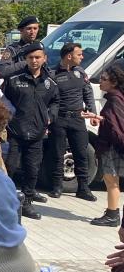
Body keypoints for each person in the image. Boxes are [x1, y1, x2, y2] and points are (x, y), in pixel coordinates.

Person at [3, 43, 59, 220]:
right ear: (25, 59)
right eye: (30, 57)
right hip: (15, 132)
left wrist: (51, 116)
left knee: (32, 169)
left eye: (37, 57)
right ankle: (4, 201)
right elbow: (2, 102)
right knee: (9, 167)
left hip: (37, 134)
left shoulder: (50, 84)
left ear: (44, 59)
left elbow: (56, 103)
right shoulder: (14, 80)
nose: (34, 61)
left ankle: (26, 203)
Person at [49, 43, 97, 200]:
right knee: (57, 153)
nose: (82, 57)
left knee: (81, 153)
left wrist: (92, 112)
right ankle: (56, 187)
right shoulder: (53, 73)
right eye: (79, 54)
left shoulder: (80, 72)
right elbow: (47, 98)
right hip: (59, 118)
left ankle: (83, 188)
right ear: (69, 56)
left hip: (77, 118)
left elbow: (88, 93)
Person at [86, 64, 124, 226]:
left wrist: (102, 119)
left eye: (104, 79)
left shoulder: (115, 99)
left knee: (111, 180)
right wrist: (97, 116)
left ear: (113, 82)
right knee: (111, 180)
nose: (100, 82)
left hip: (112, 147)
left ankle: (112, 214)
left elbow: (116, 125)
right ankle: (112, 213)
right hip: (113, 146)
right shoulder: (117, 97)